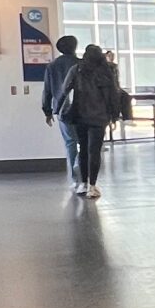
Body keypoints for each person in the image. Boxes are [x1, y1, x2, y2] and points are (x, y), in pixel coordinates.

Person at [52, 39, 120, 198]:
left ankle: (82, 183)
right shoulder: (107, 71)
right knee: (94, 151)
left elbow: (64, 90)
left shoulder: (76, 69)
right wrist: (114, 116)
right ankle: (92, 186)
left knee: (82, 149)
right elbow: (113, 95)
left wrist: (57, 109)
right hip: (100, 117)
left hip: (80, 115)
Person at [41, 35, 83, 191]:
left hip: (62, 110)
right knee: (84, 142)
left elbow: (47, 90)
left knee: (70, 143)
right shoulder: (81, 64)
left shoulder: (52, 66)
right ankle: (82, 171)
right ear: (75, 47)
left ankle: (74, 179)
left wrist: (47, 111)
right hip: (82, 109)